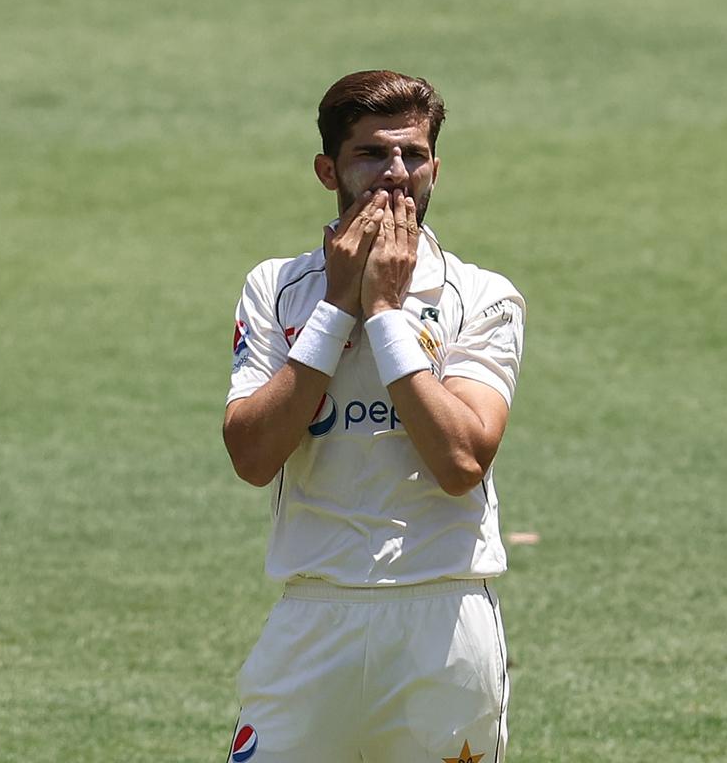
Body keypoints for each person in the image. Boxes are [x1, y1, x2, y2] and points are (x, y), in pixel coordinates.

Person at [222, 69, 526, 763]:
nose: (396, 176)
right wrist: (335, 308)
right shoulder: (276, 289)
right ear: (328, 169)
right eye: (372, 155)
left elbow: (460, 462)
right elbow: (252, 456)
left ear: (435, 168)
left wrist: (386, 315)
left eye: (413, 156)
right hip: (314, 615)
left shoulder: (482, 296)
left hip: (442, 623)